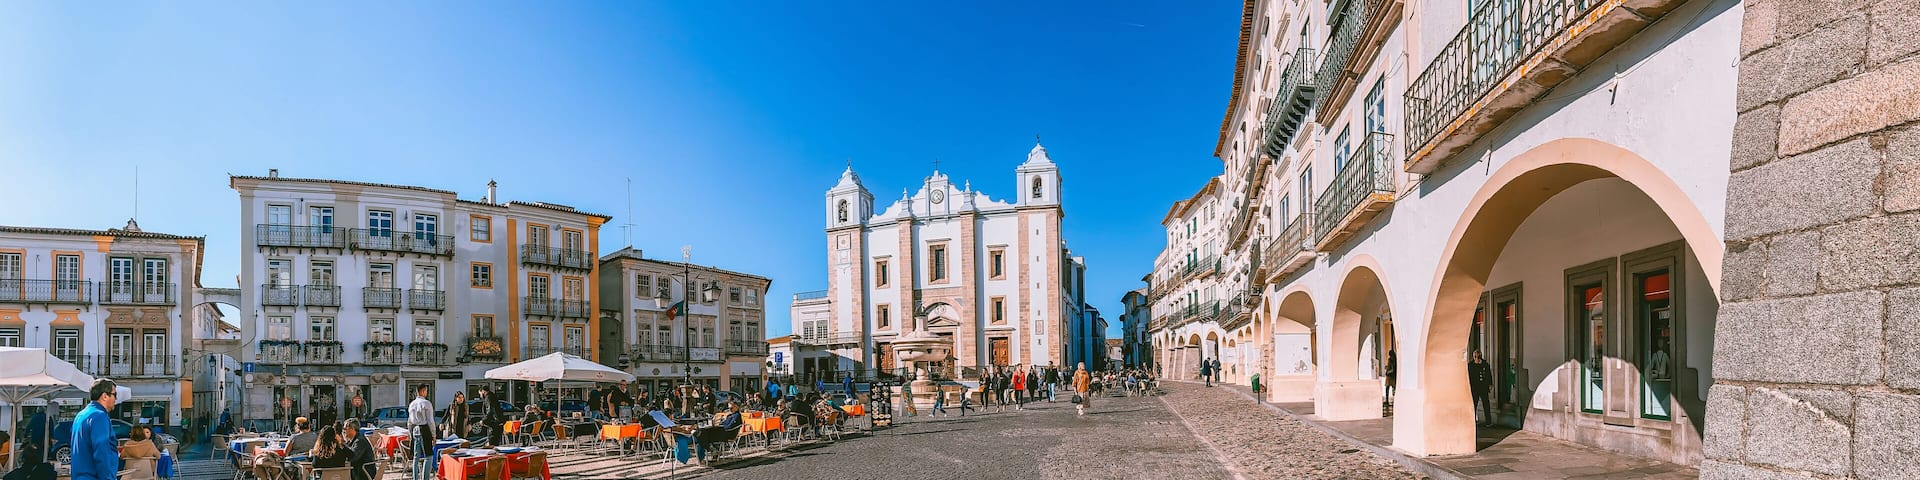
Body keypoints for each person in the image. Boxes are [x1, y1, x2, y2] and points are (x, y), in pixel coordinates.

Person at [70, 379, 119, 480]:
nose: (116, 399)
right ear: (105, 396)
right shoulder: (99, 416)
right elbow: (102, 451)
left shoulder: (81, 414)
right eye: (115, 394)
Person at [407, 384, 436, 480]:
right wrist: (434, 435)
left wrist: (410, 434)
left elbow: (409, 422)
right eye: (426, 391)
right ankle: (425, 478)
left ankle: (415, 478)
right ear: (423, 391)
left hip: (414, 429)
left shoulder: (412, 404)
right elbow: (430, 421)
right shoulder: (426, 403)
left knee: (416, 457)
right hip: (424, 429)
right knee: (429, 456)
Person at [1469, 351, 1493, 427]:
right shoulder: (1471, 365)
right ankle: (1472, 420)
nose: (1476, 358)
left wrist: (1490, 384)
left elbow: (1489, 374)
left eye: (1478, 356)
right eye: (1475, 356)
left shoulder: (1485, 364)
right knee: (1474, 405)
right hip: (1475, 388)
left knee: (1486, 404)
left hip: (1483, 387)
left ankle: (1488, 421)